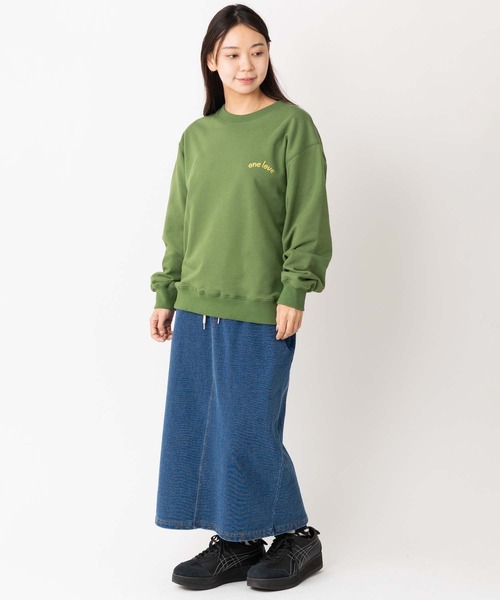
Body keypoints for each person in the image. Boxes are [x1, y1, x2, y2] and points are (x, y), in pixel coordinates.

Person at [149, 3, 333, 592]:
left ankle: (298, 536)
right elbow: (180, 223)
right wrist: (166, 291)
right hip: (196, 308)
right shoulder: (198, 136)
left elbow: (307, 216)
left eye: (257, 51)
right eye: (232, 54)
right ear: (212, 60)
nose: (246, 64)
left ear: (268, 54)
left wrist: (295, 287)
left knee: (250, 428)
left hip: (260, 306)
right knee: (203, 427)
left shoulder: (291, 127)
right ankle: (237, 539)